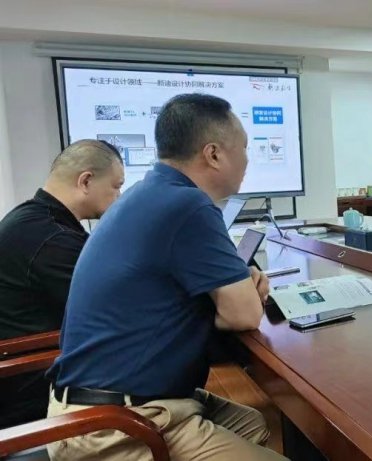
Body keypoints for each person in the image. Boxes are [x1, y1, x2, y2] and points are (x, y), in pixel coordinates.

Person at [45, 94, 285, 460]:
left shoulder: (150, 193)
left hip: (104, 402)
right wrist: (240, 292)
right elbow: (243, 314)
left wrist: (236, 288)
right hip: (114, 425)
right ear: (213, 154)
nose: (248, 160)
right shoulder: (189, 205)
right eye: (245, 148)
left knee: (251, 423)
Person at [0, 139, 123, 428]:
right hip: (37, 391)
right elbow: (116, 308)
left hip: (33, 368)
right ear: (86, 181)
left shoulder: (33, 220)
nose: (119, 197)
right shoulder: (53, 240)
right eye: (116, 187)